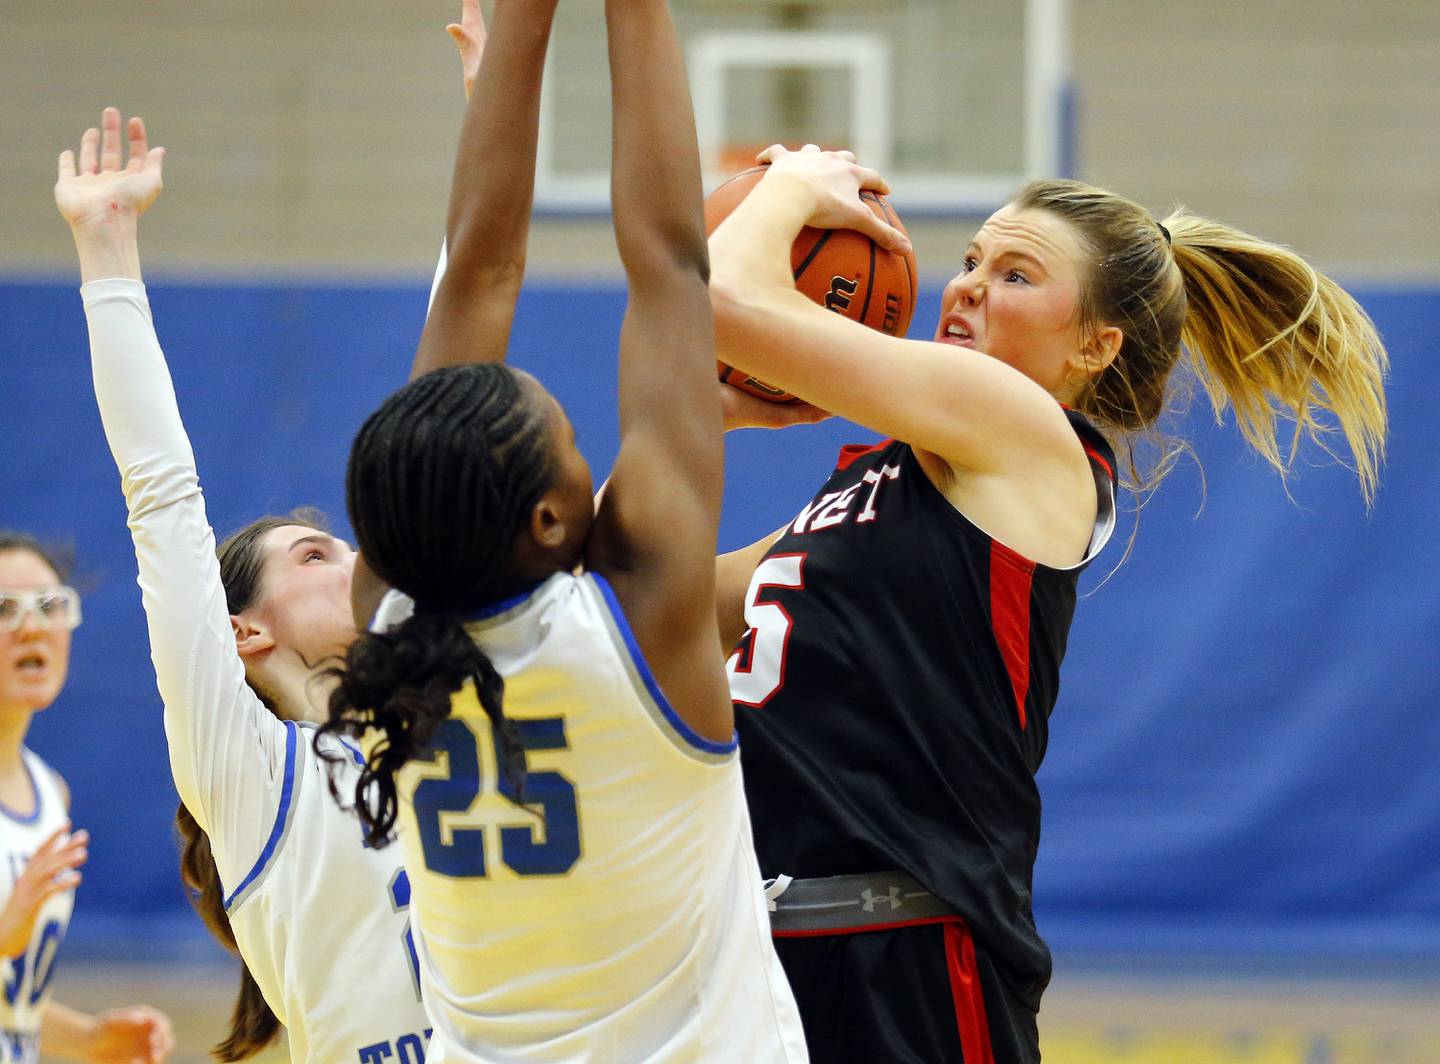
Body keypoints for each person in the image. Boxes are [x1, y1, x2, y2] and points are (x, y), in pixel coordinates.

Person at [706, 148, 1388, 1062]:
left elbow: (719, 303)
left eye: (1016, 273)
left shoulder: (1026, 433)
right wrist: (711, 415)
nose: (970, 286)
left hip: (906, 954)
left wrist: (789, 184)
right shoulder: (868, 488)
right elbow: (660, 601)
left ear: (1093, 346)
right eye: (975, 261)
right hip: (768, 945)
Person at [318, 0, 807, 1060]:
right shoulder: (636, 620)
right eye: (577, 439)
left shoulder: (389, 625)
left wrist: (514, 53)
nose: (596, 450)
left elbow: (482, 270)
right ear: (550, 518)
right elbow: (670, 258)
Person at [50, 5, 513, 1059]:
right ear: (246, 634)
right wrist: (107, 248)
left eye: (346, 544)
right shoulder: (247, 769)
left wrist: (495, 116)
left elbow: (453, 381)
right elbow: (161, 499)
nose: (354, 558)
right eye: (313, 557)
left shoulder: (450, 709)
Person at [0, 532, 175, 1063]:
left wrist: (90, 1040)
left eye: (50, 605)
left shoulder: (50, 792)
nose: (32, 626)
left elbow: (12, 1007)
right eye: (5, 608)